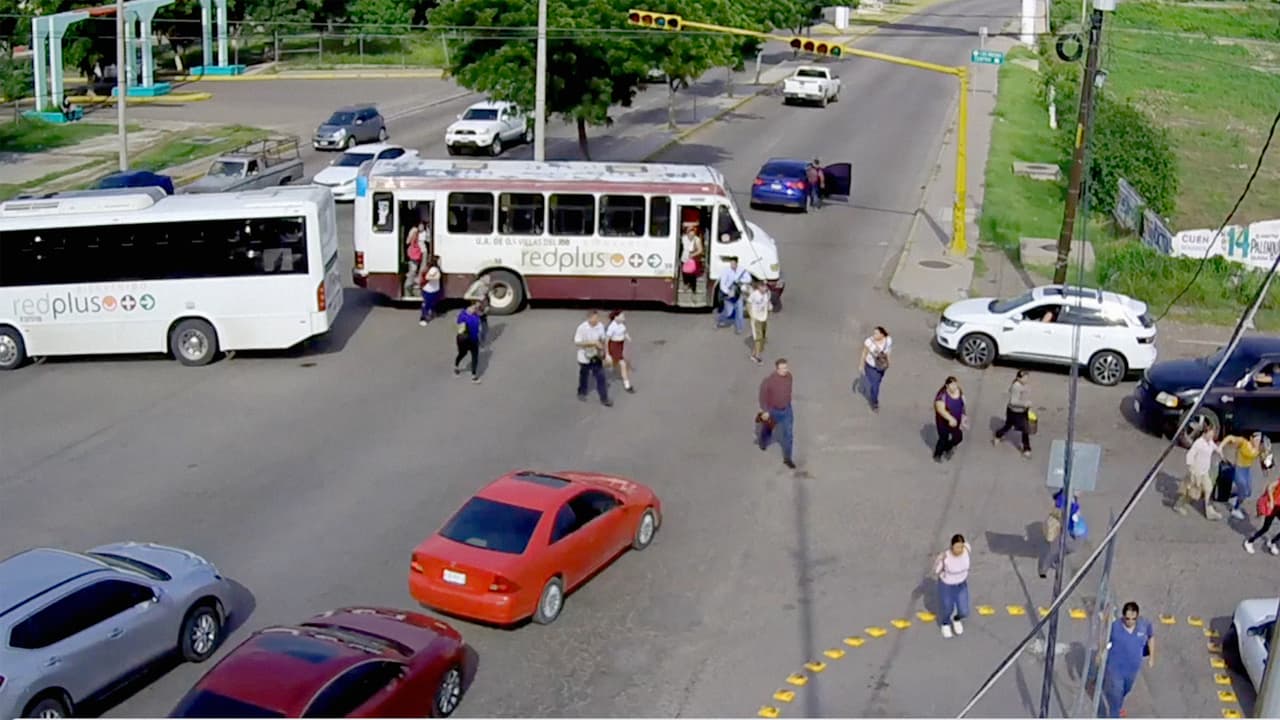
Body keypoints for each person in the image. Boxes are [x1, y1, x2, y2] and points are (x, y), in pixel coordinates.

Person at [1101, 601, 1155, 718]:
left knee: (1125, 691)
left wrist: (1152, 657)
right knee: (1115, 698)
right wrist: (1100, 653)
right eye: (1127, 618)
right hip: (1115, 670)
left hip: (1131, 671)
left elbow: (1151, 637)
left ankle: (1118, 706)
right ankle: (1114, 714)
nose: (1130, 621)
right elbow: (1104, 640)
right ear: (1123, 617)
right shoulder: (1115, 627)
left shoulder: (1144, 625)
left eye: (1133, 619)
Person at [1175, 425, 1222, 519]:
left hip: (1204, 472)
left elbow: (1215, 448)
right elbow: (1190, 455)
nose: (1211, 437)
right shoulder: (1198, 443)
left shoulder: (1210, 442)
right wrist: (1191, 469)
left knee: (1208, 488)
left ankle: (1209, 512)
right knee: (1192, 494)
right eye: (1210, 434)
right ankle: (1178, 505)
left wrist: (1221, 455)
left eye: (1212, 435)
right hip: (1196, 472)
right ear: (1205, 433)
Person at [758, 358, 796, 470]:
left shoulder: (789, 377)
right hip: (773, 411)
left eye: (786, 367)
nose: (785, 370)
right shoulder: (770, 381)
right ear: (777, 369)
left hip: (787, 410)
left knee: (789, 435)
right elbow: (763, 397)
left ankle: (788, 458)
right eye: (783, 368)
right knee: (767, 429)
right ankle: (763, 442)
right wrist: (765, 411)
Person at [1219, 431, 1266, 520]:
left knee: (1248, 492)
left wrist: (1266, 462)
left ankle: (1232, 495)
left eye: (1259, 440)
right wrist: (1220, 447)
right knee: (1243, 493)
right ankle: (1235, 509)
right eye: (1256, 440)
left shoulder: (1259, 448)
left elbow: (1264, 461)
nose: (1257, 442)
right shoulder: (1243, 442)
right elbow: (1230, 437)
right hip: (1239, 470)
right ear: (1251, 438)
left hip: (1247, 471)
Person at [1039, 489, 1084, 579]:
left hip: (1067, 528)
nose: (1081, 492)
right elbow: (1061, 509)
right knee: (1054, 550)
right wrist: (1074, 510)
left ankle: (1055, 561)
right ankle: (1043, 570)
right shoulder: (1064, 498)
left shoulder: (1072, 498)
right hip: (1059, 528)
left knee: (1069, 548)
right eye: (1079, 490)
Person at [933, 534, 971, 639]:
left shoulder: (967, 550)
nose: (959, 550)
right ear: (952, 546)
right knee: (947, 608)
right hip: (947, 585)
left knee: (964, 610)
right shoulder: (946, 557)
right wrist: (939, 559)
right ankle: (945, 623)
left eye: (961, 547)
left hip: (961, 584)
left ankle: (956, 619)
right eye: (957, 547)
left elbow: (967, 545)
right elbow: (936, 570)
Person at [574, 310, 611, 406]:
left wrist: (605, 353)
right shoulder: (582, 328)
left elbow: (603, 339)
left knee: (601, 377)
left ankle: (604, 398)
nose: (596, 320)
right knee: (584, 375)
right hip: (584, 357)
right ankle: (582, 392)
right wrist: (593, 342)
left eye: (597, 318)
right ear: (589, 318)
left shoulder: (600, 326)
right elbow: (577, 342)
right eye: (594, 319)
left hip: (596, 356)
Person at [992, 370, 1033, 457]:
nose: (1026, 379)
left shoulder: (1023, 384)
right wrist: (1025, 404)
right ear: (1019, 378)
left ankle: (998, 435)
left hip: (1021, 411)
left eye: (1027, 377)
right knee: (1023, 429)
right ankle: (1026, 449)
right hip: (1015, 412)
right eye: (1025, 377)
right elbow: (1013, 401)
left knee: (1011, 426)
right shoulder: (1016, 386)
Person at [933, 376, 967, 462]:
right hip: (943, 423)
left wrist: (964, 415)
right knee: (943, 439)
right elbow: (940, 410)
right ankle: (938, 454)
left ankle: (948, 447)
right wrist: (950, 419)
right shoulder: (941, 396)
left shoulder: (959, 391)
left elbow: (963, 403)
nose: (954, 387)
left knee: (958, 438)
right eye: (952, 385)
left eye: (955, 384)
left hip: (957, 421)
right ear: (947, 386)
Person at [1243, 476, 1280, 554]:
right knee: (1265, 528)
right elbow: (1270, 487)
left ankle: (1272, 542)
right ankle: (1249, 542)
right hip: (1273, 507)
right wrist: (1272, 501)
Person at [858, 326, 891, 411]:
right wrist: (861, 365)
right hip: (870, 366)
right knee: (875, 385)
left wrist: (889, 362)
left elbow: (888, 352)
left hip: (882, 366)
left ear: (882, 334)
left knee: (878, 381)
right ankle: (874, 402)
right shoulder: (869, 341)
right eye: (874, 333)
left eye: (876, 333)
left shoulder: (888, 340)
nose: (874, 335)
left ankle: (874, 391)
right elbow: (864, 353)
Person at [715, 257, 750, 334]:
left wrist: (740, 281)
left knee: (740, 312)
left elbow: (748, 279)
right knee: (729, 312)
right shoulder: (726, 271)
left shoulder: (741, 270)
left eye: (734, 263)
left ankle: (739, 328)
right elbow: (722, 285)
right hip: (728, 295)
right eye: (731, 263)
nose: (732, 265)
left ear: (737, 263)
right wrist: (728, 292)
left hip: (737, 294)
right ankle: (720, 320)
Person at [605, 310, 634, 394]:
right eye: (622, 316)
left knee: (615, 362)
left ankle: (609, 371)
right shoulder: (612, 327)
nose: (623, 317)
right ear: (616, 317)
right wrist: (607, 353)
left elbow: (624, 331)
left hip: (620, 345)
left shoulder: (621, 324)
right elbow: (607, 340)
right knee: (622, 364)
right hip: (614, 346)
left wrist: (627, 337)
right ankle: (627, 385)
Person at [453, 302, 482, 383]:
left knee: (475, 357)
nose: (474, 308)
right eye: (472, 307)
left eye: (475, 308)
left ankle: (474, 376)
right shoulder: (462, 316)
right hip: (465, 340)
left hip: (474, 340)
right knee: (462, 353)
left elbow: (479, 327)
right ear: (467, 308)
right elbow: (459, 324)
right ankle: (456, 366)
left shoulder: (476, 315)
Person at [747, 279, 771, 364]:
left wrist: (768, 310)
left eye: (766, 286)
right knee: (758, 338)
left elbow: (767, 303)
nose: (765, 288)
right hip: (756, 319)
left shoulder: (767, 294)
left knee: (762, 337)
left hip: (763, 318)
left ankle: (754, 353)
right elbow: (748, 303)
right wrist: (751, 315)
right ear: (759, 287)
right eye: (763, 286)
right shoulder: (754, 295)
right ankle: (757, 357)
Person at [403, 220, 430, 297]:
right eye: (420, 225)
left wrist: (427, 230)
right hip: (415, 253)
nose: (421, 227)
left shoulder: (425, 232)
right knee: (413, 269)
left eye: (422, 225)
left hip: (423, 252)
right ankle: (408, 287)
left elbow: (428, 240)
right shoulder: (414, 231)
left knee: (422, 269)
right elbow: (407, 241)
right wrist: (412, 234)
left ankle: (418, 283)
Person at [463, 275, 491, 344]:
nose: (489, 281)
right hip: (475, 307)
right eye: (487, 280)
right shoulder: (477, 284)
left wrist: (487, 305)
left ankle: (481, 341)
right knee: (476, 326)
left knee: (484, 326)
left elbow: (486, 295)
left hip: (482, 308)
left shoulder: (486, 285)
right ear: (482, 279)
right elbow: (466, 296)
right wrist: (478, 297)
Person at [680, 222, 704, 293]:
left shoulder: (697, 240)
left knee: (692, 274)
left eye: (693, 235)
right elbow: (683, 225)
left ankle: (693, 288)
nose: (691, 237)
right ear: (687, 234)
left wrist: (693, 255)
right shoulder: (683, 238)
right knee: (684, 273)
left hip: (692, 260)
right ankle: (686, 284)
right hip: (684, 258)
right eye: (690, 235)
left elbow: (700, 250)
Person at [418, 255, 442, 326]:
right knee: (426, 304)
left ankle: (431, 313)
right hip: (429, 290)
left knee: (432, 303)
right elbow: (427, 277)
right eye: (439, 260)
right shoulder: (433, 269)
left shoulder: (435, 268)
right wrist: (436, 277)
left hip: (434, 290)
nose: (441, 262)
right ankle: (423, 318)